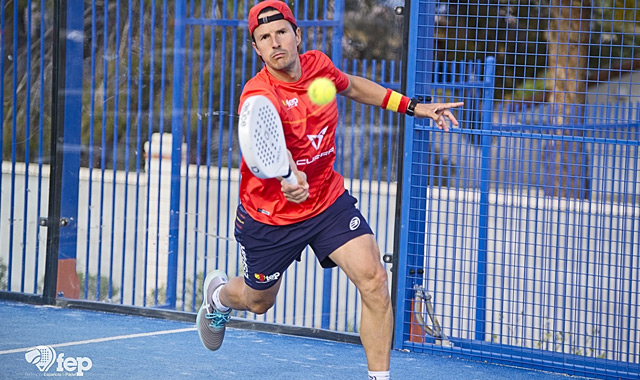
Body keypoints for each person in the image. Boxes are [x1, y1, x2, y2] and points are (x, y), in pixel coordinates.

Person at [196, 1, 464, 379]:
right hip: (271, 216)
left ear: (297, 34)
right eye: (265, 38)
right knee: (257, 302)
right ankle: (219, 296)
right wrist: (289, 178)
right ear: (256, 49)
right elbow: (268, 148)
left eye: (281, 33)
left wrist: (415, 106)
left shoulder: (319, 65)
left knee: (374, 278)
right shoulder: (258, 95)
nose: (275, 43)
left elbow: (352, 86)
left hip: (326, 201)